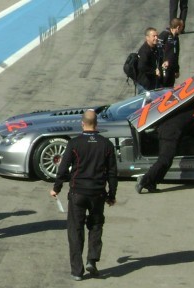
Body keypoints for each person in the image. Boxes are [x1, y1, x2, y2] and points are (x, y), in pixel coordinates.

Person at [50, 110, 117, 281]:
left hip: (78, 192)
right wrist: (111, 195)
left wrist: (56, 188)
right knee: (95, 226)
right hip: (97, 193)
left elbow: (63, 169)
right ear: (97, 124)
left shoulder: (75, 143)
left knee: (75, 230)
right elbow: (112, 173)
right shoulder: (106, 144)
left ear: (82, 123)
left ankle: (77, 271)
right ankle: (92, 260)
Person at [135, 93, 194, 193]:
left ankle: (151, 184)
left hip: (164, 130)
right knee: (164, 160)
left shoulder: (183, 104)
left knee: (167, 161)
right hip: (170, 134)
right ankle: (144, 180)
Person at [158, 18, 183, 87]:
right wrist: (161, 64)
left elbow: (176, 55)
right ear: (178, 27)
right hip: (164, 69)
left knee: (170, 88)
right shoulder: (164, 35)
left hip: (172, 69)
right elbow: (158, 51)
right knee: (164, 88)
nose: (182, 29)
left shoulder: (176, 38)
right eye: (181, 27)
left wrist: (177, 70)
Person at [136, 27, 162, 94]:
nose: (156, 38)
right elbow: (141, 67)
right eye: (154, 36)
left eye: (157, 36)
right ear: (147, 38)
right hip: (145, 85)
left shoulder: (154, 48)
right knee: (146, 103)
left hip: (152, 82)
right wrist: (154, 72)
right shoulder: (144, 51)